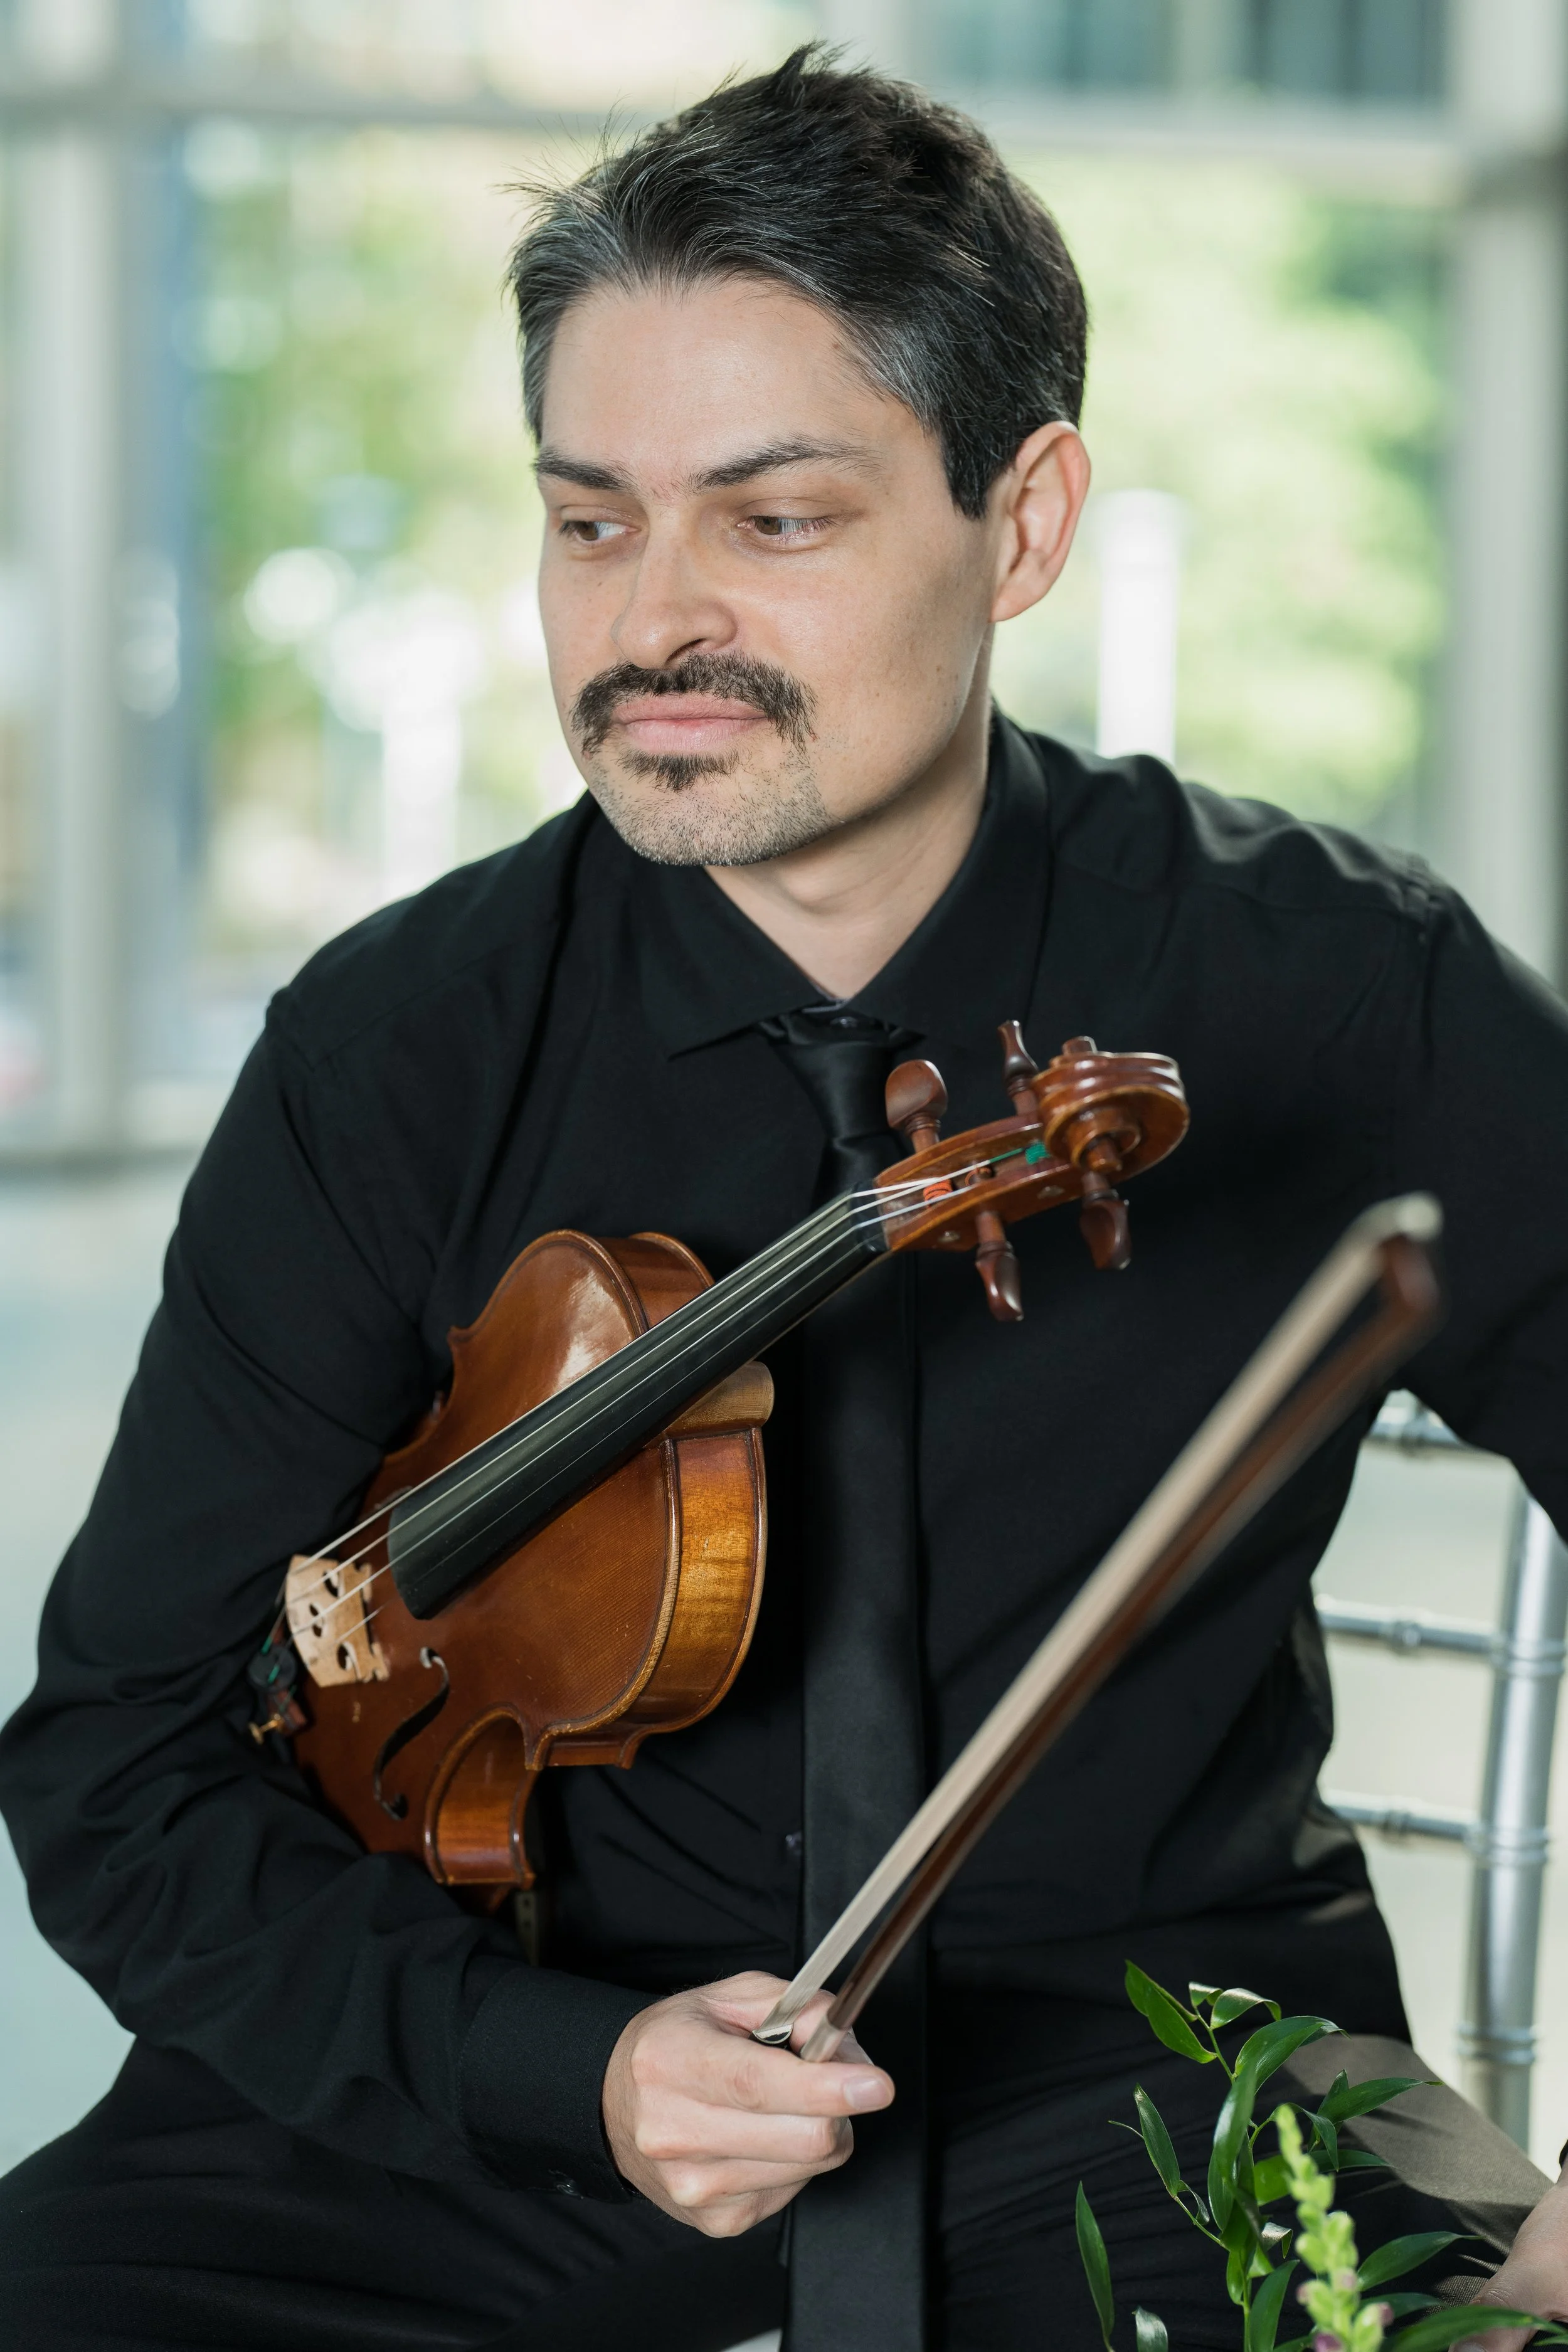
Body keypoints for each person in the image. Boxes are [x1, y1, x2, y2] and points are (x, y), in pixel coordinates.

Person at [1, 45, 1565, 2352]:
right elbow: (118, 1759)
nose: (655, 622)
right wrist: (556, 2061)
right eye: (589, 516)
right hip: (497, 2084)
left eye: (776, 517)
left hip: (1168, 2080)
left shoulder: (1344, 990)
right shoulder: (398, 1046)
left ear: (1020, 523)